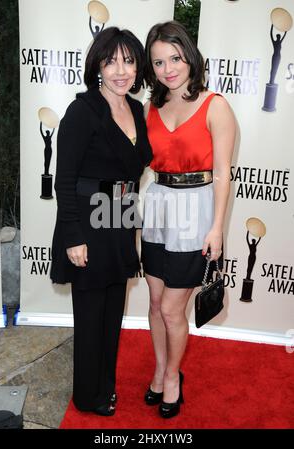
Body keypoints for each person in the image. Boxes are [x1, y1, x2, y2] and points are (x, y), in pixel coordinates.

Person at [50, 27, 152, 416]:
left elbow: (135, 166)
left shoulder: (137, 110)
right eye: (111, 62)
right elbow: (65, 179)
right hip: (89, 221)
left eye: (128, 61)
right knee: (91, 314)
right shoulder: (82, 111)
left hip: (122, 215)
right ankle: (86, 395)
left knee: (113, 312)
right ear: (98, 66)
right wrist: (74, 236)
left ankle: (105, 386)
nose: (121, 71)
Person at [141, 21, 236, 418]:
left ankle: (174, 377)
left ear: (189, 56)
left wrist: (216, 227)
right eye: (159, 62)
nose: (168, 68)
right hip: (158, 207)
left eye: (175, 58)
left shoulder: (216, 105)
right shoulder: (151, 107)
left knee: (172, 310)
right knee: (156, 301)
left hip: (195, 212)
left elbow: (222, 175)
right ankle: (161, 369)